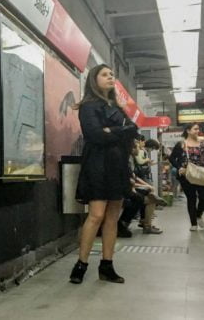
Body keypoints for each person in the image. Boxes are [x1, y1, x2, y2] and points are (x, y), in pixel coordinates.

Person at [69, 64, 137, 284]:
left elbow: (133, 130)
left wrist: (112, 131)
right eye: (105, 74)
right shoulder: (88, 106)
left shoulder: (117, 106)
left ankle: (107, 265)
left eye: (112, 74)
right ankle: (81, 263)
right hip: (98, 164)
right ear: (94, 79)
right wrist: (120, 130)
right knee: (96, 215)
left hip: (118, 165)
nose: (110, 77)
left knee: (112, 218)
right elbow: (95, 135)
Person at [168, 123, 204, 232]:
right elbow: (172, 158)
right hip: (186, 175)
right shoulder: (181, 144)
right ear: (188, 131)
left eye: (198, 129)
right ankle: (193, 223)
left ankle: (199, 214)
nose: (197, 131)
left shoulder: (203, 143)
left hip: (202, 174)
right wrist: (179, 167)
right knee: (191, 198)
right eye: (195, 129)